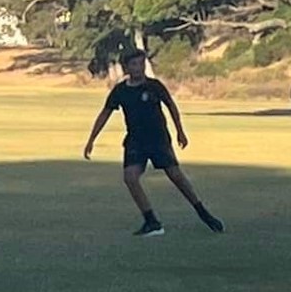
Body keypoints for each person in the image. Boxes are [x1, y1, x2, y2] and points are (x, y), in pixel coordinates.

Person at [83, 48, 224, 237]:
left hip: (158, 139)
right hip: (135, 141)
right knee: (130, 178)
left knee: (176, 176)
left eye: (141, 63)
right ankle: (151, 221)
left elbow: (171, 106)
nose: (139, 68)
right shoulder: (121, 91)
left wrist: (180, 131)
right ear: (126, 67)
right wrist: (91, 140)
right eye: (134, 64)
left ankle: (202, 211)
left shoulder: (154, 86)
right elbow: (105, 114)